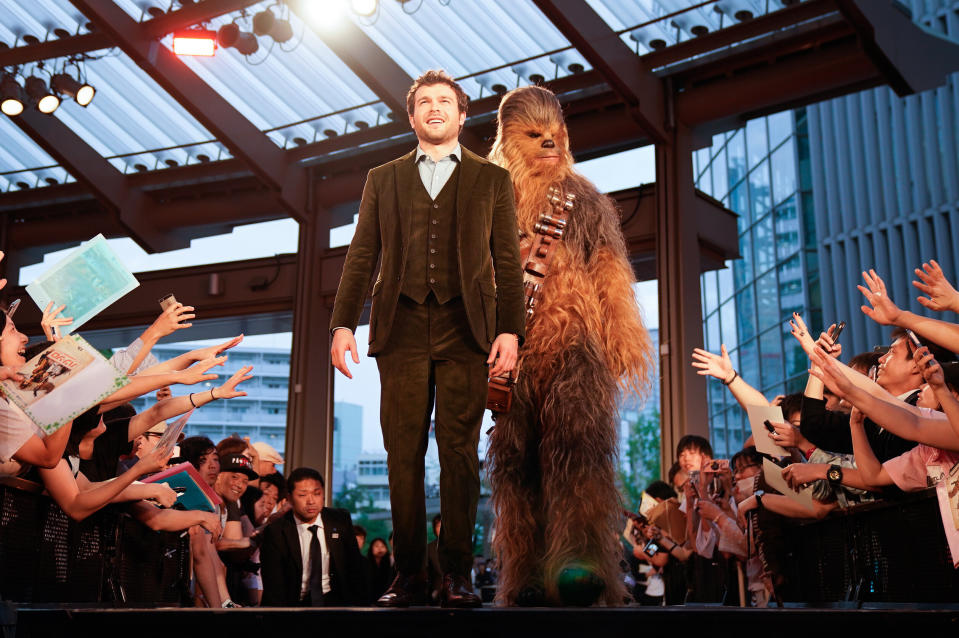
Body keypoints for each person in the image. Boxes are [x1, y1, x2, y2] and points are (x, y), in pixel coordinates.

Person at [329, 69, 525, 608]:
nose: (435, 108)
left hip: (469, 330)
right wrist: (343, 324)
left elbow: (508, 262)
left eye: (445, 102)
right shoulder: (383, 178)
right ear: (412, 116)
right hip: (402, 328)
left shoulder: (491, 180)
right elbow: (361, 255)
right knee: (402, 453)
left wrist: (511, 331)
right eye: (424, 102)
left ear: (463, 116)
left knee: (459, 452)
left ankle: (457, 573)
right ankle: (410, 573)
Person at [260, 467, 368, 606]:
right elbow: (274, 585)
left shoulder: (340, 520)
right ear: (290, 498)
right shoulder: (276, 531)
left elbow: (355, 569)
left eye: (317, 494)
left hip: (335, 604)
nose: (311, 501)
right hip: (293, 605)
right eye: (302, 495)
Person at [367, 537, 394, 602]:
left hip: (387, 598)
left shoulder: (391, 563)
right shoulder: (366, 563)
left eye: (382, 546)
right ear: (371, 548)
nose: (380, 549)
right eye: (376, 546)